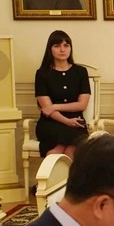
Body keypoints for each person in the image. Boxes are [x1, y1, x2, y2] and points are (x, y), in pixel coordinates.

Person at [34, 30, 90, 158]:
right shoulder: (42, 74)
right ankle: (51, 171)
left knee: (72, 150)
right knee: (57, 148)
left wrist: (55, 106)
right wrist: (66, 121)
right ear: (50, 49)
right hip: (50, 122)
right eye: (57, 46)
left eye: (66, 45)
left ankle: (69, 172)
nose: (62, 50)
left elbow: (82, 104)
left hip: (76, 122)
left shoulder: (81, 72)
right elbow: (47, 109)